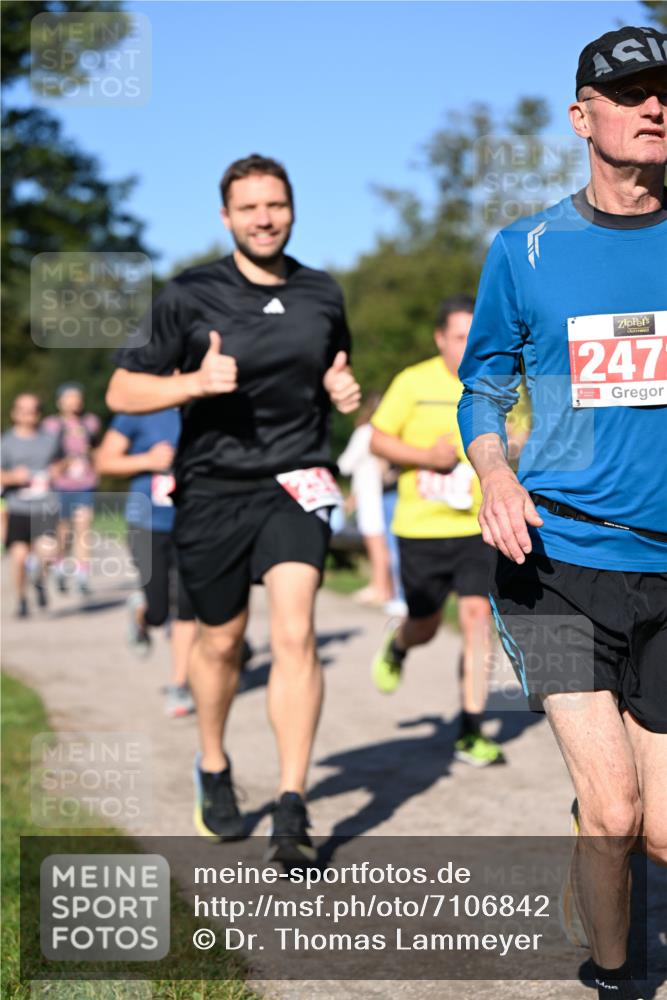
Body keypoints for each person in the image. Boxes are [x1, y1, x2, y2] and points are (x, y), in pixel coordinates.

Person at [457, 26, 666, 1000]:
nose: (655, 105)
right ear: (583, 116)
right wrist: (495, 472)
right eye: (630, 92)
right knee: (615, 809)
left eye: (665, 89)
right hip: (555, 561)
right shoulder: (526, 248)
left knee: (656, 827)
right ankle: (615, 976)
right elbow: (482, 384)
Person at [105, 153, 360, 859]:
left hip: (296, 480)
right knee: (219, 641)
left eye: (274, 204)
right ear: (226, 217)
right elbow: (122, 393)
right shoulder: (187, 295)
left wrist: (343, 393)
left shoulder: (321, 293)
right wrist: (191, 382)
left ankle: (291, 805)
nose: (264, 218)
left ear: (292, 208)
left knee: (295, 633)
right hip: (213, 486)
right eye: (248, 208)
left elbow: (331, 372)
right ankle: (213, 763)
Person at [369, 295, 505, 767]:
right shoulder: (413, 381)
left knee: (475, 619)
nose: (467, 346)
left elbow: (525, 432)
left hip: (476, 526)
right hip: (420, 529)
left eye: (474, 336)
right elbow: (377, 438)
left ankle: (470, 728)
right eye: (458, 337)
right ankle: (400, 642)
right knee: (425, 625)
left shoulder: (497, 381)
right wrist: (427, 457)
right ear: (440, 338)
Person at [95, 410, 198, 719]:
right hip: (146, 522)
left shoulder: (205, 403)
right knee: (158, 612)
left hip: (194, 521)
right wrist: (147, 461)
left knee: (186, 604)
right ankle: (142, 613)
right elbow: (104, 461)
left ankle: (179, 685)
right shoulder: (139, 409)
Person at [0, 394, 62, 616]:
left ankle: (39, 580)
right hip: (18, 507)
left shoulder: (50, 439)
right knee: (19, 558)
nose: (29, 414)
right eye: (24, 410)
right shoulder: (5, 442)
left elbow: (63, 462)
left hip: (45, 505)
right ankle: (21, 599)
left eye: (33, 410)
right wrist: (13, 477)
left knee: (47, 554)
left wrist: (58, 469)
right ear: (14, 413)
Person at [338, 394, 395, 609]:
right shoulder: (388, 434)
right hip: (379, 491)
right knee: (383, 542)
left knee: (375, 541)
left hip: (369, 492)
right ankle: (384, 586)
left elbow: (346, 463)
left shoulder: (365, 432)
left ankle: (379, 587)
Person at [43, 382, 101, 595]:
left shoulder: (91, 422)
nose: (75, 401)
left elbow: (98, 451)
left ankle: (82, 574)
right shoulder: (51, 425)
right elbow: (47, 457)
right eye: (70, 397)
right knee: (63, 531)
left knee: (83, 528)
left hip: (85, 483)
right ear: (60, 401)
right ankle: (59, 566)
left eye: (78, 397)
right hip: (61, 485)